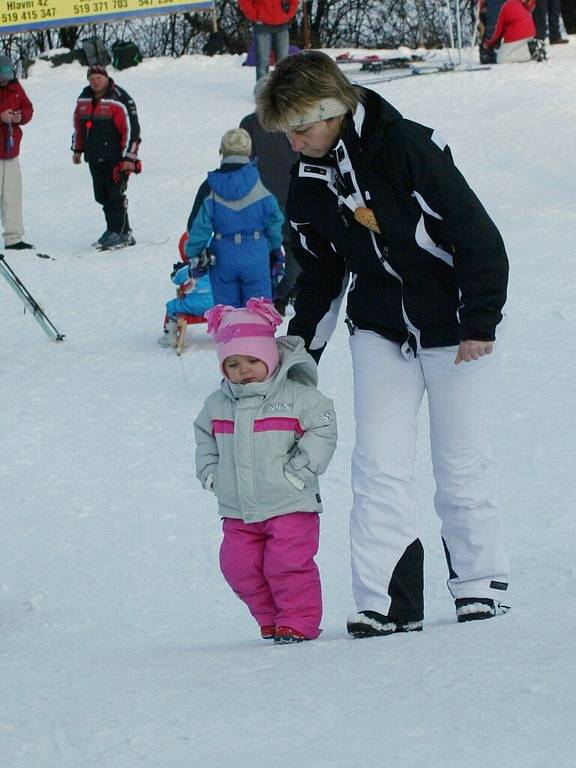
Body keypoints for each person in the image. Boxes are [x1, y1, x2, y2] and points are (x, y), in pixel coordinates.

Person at [257, 51, 510, 638]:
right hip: (379, 328)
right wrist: (299, 351)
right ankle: (387, 601)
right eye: (286, 132)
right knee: (378, 465)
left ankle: (478, 584)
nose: (292, 143)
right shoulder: (310, 178)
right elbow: (319, 272)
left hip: (453, 329)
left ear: (332, 111)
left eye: (299, 129)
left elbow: (478, 236)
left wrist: (479, 321)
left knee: (460, 460)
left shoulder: (407, 148)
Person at [194, 297, 337, 643]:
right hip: (238, 508)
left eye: (252, 360)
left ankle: (298, 620)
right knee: (238, 567)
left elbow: (324, 426)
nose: (243, 370)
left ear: (270, 357)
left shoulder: (297, 396)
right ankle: (272, 618)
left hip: (289, 503)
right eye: (233, 363)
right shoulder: (218, 404)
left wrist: (299, 470)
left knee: (286, 565)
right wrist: (211, 473)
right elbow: (204, 438)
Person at [184, 127, 284, 308]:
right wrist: (275, 247)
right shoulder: (262, 182)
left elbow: (198, 227)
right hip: (256, 253)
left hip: (223, 255)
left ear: (222, 151)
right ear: (249, 151)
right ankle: (257, 336)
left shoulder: (210, 186)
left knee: (227, 314)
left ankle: (231, 336)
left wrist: (194, 253)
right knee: (258, 312)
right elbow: (275, 219)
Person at [240, 78, 300, 316]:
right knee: (293, 244)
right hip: (293, 191)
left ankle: (271, 295)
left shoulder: (251, 123)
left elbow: (244, 160)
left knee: (265, 246)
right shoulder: (292, 121)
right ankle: (289, 289)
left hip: (261, 196)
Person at [72, 64, 141, 250]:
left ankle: (118, 232)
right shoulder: (84, 98)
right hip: (94, 157)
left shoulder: (119, 99)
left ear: (106, 78)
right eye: (92, 79)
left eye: (98, 78)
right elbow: (78, 125)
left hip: (116, 158)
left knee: (114, 194)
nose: (95, 82)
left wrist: (129, 158)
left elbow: (131, 130)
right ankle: (117, 230)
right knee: (101, 195)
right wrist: (77, 149)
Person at [0, 56, 34, 251]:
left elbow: (28, 107)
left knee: (12, 195)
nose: (5, 80)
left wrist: (21, 117)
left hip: (10, 150)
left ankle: (13, 238)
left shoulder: (15, 87)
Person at [163, 232, 214, 346]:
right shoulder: (218, 266)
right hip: (216, 305)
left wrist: (179, 270)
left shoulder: (189, 268)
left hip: (193, 306)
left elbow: (175, 279)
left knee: (171, 306)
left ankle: (169, 335)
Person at [239, 0, 299, 81]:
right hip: (262, 26)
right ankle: (262, 92)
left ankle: (282, 91)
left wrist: (289, 14)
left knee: (284, 63)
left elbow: (294, 2)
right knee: (263, 63)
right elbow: (245, 2)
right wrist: (256, 16)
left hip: (282, 25)